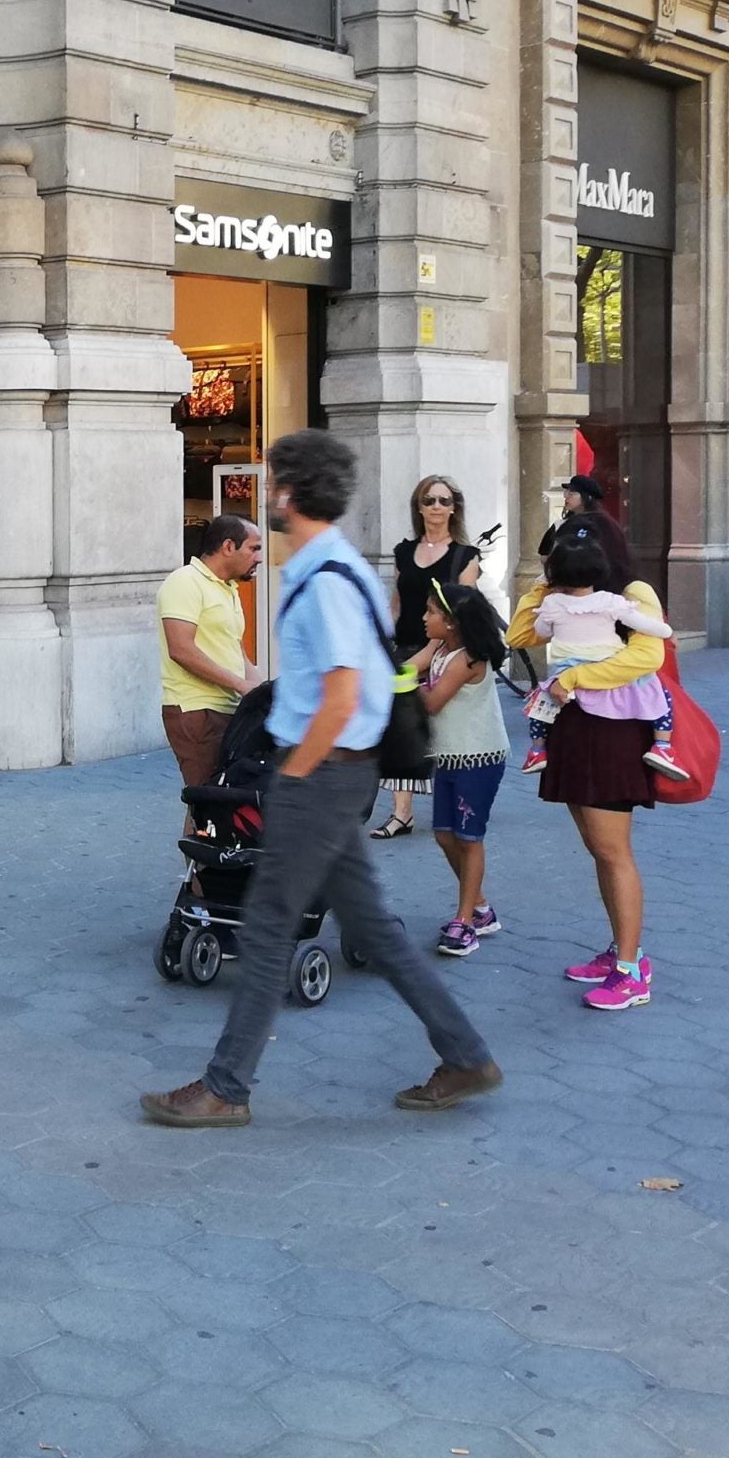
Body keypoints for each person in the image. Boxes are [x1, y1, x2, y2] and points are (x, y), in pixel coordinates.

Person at [141, 429, 502, 1128]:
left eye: (273, 482)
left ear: (287, 493)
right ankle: (465, 1055)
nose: (266, 496)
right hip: (337, 772)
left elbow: (340, 695)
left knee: (272, 922)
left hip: (321, 771)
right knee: (376, 929)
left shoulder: (325, 579)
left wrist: (292, 778)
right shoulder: (331, 567)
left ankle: (225, 1088)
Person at [507, 516, 669, 1010]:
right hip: (573, 728)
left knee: (612, 849)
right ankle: (623, 950)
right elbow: (519, 636)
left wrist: (575, 680)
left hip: (614, 730)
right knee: (597, 847)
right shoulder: (561, 596)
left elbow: (647, 657)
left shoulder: (633, 592)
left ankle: (631, 970)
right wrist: (542, 583)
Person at [516, 538, 685, 781]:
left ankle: (537, 750)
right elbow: (644, 624)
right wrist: (669, 633)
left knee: (539, 710)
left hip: (566, 669)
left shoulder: (552, 603)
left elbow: (540, 632)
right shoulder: (610, 601)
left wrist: (546, 599)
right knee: (659, 693)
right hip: (606, 663)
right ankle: (663, 747)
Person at [372, 475, 480, 840]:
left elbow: (461, 614)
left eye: (444, 501)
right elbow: (397, 603)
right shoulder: (404, 551)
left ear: (454, 508)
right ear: (418, 507)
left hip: (444, 651)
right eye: (429, 500)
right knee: (403, 729)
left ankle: (461, 800)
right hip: (404, 644)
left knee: (447, 727)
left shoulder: (465, 556)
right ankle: (402, 813)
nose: (437, 507)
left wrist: (430, 653)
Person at [408, 582, 511, 957]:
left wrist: (409, 686)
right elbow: (412, 666)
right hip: (450, 757)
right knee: (444, 835)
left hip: (478, 758)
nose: (424, 617)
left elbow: (433, 702)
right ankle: (481, 907)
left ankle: (465, 920)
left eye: (431, 612)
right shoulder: (440, 649)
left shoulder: (468, 660)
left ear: (451, 622)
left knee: (469, 839)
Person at [157, 517, 264, 805]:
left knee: (225, 799)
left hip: (228, 710)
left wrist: (265, 692)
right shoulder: (185, 581)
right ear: (228, 546)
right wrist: (241, 686)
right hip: (195, 710)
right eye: (254, 549)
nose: (260, 558)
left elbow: (235, 651)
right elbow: (180, 649)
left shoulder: (227, 588)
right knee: (207, 801)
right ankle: (194, 852)